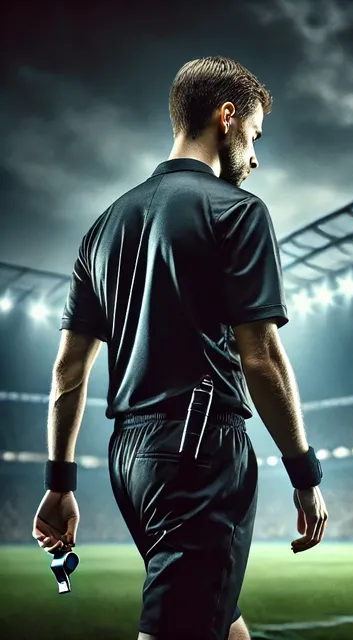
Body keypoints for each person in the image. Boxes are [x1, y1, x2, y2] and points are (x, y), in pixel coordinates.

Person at [31, 56, 328, 640]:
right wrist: (305, 471)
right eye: (255, 134)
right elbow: (261, 356)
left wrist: (59, 483)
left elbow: (69, 371)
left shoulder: (104, 226)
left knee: (216, 618)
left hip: (130, 460)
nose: (256, 155)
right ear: (226, 118)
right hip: (199, 451)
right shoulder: (237, 211)